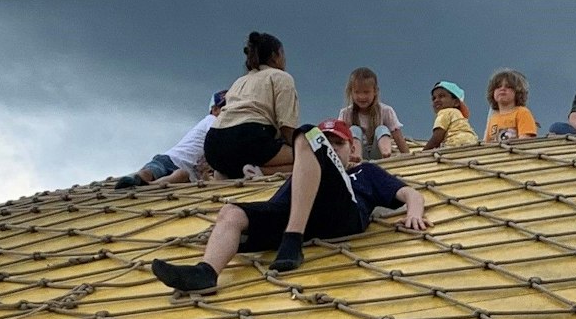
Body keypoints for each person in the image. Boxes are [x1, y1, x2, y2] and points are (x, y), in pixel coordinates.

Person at [150, 120, 430, 292]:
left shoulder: (365, 172)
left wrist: (414, 215)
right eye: (328, 141)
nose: (332, 147)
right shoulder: (301, 174)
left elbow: (409, 194)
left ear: (351, 149)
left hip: (341, 213)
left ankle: (292, 240)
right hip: (297, 214)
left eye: (338, 143)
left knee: (306, 132)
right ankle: (206, 272)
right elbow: (278, 203)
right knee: (231, 211)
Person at [206, 32, 299, 179]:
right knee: (311, 158)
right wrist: (301, 148)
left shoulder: (240, 81)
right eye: (283, 54)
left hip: (214, 145)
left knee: (228, 167)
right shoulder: (281, 77)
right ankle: (260, 171)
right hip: (249, 138)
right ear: (275, 56)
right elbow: (286, 127)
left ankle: (228, 173)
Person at [115, 92, 226, 189]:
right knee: (151, 171)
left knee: (182, 174)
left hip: (185, 170)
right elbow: (219, 136)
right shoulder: (212, 120)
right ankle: (135, 180)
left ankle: (147, 185)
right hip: (172, 158)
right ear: (214, 109)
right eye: (225, 108)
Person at [340, 67, 408, 160]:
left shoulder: (386, 111)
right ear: (351, 92)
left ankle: (386, 152)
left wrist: (408, 156)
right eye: (357, 92)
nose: (362, 96)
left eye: (366, 92)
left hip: (378, 155)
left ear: (375, 91)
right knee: (354, 130)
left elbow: (398, 137)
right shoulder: (346, 113)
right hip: (358, 155)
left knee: (382, 129)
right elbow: (339, 139)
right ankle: (356, 156)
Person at [483, 70, 538, 144]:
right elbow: (486, 144)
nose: (502, 89)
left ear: (517, 92)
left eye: (508, 87)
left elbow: (525, 141)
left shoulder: (522, 113)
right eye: (498, 86)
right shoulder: (493, 118)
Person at [421, 82, 479, 151]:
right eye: (434, 98)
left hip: (455, 144)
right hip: (472, 143)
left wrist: (423, 152)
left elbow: (437, 137)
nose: (436, 100)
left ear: (456, 102)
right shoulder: (458, 115)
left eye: (441, 96)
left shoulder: (445, 112)